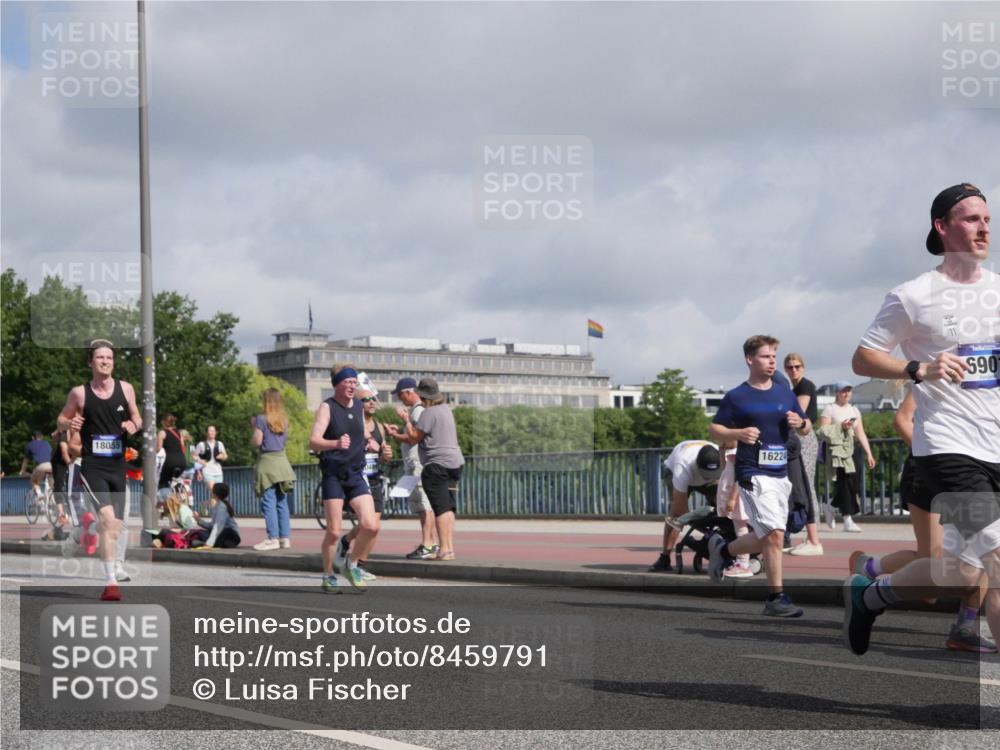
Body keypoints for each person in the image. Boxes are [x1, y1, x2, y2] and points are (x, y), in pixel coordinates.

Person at [843, 182, 999, 657]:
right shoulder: (914, 295)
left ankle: (869, 595)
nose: (983, 227)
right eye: (971, 218)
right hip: (949, 447)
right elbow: (863, 358)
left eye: (987, 220)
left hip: (995, 444)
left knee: (959, 571)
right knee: (998, 555)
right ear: (942, 226)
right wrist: (919, 367)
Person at [849, 391, 995, 652]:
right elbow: (902, 420)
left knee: (963, 572)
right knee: (954, 559)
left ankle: (870, 592)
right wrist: (930, 454)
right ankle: (870, 568)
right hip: (942, 471)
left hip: (984, 471)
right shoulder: (940, 368)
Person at [707, 334, 811, 617]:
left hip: (780, 474)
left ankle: (723, 549)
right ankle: (776, 598)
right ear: (750, 359)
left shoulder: (784, 392)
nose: (772, 362)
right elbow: (714, 429)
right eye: (766, 357)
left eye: (774, 357)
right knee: (775, 536)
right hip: (752, 472)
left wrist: (801, 422)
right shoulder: (737, 396)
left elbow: (806, 426)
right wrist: (737, 433)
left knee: (772, 536)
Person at [56, 339, 142, 601]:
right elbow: (60, 420)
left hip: (118, 466)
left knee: (115, 525)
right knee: (107, 520)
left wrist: (133, 426)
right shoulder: (79, 393)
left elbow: (138, 417)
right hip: (93, 466)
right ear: (90, 362)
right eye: (100, 358)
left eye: (109, 358)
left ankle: (83, 534)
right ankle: (111, 581)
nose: (106, 361)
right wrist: (70, 421)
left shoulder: (126, 389)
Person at [310, 364, 379, 592]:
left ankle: (351, 564)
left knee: (371, 526)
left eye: (353, 383)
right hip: (333, 474)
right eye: (347, 382)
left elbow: (361, 430)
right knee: (333, 531)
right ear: (337, 384)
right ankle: (328, 575)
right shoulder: (327, 407)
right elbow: (314, 441)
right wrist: (335, 443)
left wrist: (372, 441)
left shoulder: (359, 405)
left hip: (356, 473)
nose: (351, 386)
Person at [386, 377, 464, 561]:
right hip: (455, 463)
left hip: (436, 465)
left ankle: (443, 549)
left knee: (440, 508)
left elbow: (414, 437)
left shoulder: (429, 413)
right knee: (450, 507)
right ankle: (449, 548)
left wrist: (405, 421)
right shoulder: (446, 410)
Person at [337, 384, 393, 580]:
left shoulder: (379, 427)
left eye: (373, 399)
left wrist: (386, 454)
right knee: (368, 524)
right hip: (357, 479)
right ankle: (353, 560)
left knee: (372, 526)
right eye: (366, 400)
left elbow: (383, 454)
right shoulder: (352, 424)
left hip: (374, 478)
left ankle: (351, 551)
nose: (371, 403)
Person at [647, 440, 722, 572]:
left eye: (711, 475)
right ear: (696, 465)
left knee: (722, 506)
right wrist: (706, 531)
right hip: (675, 471)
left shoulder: (724, 458)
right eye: (705, 475)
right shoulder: (682, 467)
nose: (706, 478)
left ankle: (728, 546)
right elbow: (681, 510)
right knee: (676, 516)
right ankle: (665, 557)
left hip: (713, 471)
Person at [389, 377, 438, 560]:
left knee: (423, 506)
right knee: (426, 505)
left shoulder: (417, 412)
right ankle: (430, 543)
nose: (400, 399)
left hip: (417, 464)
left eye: (401, 394)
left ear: (409, 392)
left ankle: (427, 544)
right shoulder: (421, 410)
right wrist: (399, 431)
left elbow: (413, 438)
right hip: (420, 463)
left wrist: (395, 434)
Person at [818, 382, 876, 533]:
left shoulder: (854, 409)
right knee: (844, 482)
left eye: (848, 391)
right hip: (837, 450)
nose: (846, 394)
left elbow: (860, 433)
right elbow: (823, 430)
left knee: (854, 483)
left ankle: (831, 506)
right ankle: (847, 520)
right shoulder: (830, 409)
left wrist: (869, 453)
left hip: (852, 449)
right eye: (843, 391)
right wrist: (840, 427)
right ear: (837, 392)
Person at [783, 353, 824, 556]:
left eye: (797, 366)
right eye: (790, 367)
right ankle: (808, 537)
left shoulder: (805, 386)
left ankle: (814, 540)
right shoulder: (794, 388)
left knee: (806, 486)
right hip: (796, 439)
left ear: (803, 367)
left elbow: (798, 413)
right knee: (799, 486)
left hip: (804, 439)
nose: (794, 370)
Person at [252, 388, 296, 551]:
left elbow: (257, 442)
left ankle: (272, 538)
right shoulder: (284, 420)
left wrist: (254, 427)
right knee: (281, 501)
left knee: (268, 501)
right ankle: (285, 538)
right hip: (282, 462)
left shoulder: (261, 419)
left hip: (268, 462)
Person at [716, 440, 753, 577]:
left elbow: (739, 477)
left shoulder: (739, 454)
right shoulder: (732, 454)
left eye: (726, 437)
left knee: (741, 529)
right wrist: (721, 453)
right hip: (736, 497)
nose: (723, 441)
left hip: (738, 498)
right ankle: (743, 560)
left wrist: (732, 498)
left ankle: (743, 562)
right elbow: (724, 469)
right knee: (740, 528)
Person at [194, 482, 240, 549]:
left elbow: (217, 527)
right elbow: (212, 525)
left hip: (231, 536)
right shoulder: (218, 505)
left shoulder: (221, 507)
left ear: (215, 493)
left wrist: (209, 544)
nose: (211, 492)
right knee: (200, 533)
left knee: (217, 533)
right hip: (222, 534)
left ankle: (209, 543)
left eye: (212, 491)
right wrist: (198, 520)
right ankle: (209, 542)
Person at [156, 413, 188, 496]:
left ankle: (167, 503)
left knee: (162, 482)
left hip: (170, 462)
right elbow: (183, 447)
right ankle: (179, 492)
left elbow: (158, 449)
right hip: (182, 461)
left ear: (163, 422)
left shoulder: (162, 433)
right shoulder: (179, 433)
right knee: (175, 481)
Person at [20, 430, 53, 501]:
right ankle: (52, 500)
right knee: (51, 486)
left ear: (33, 438)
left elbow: (26, 460)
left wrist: (22, 471)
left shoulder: (29, 445)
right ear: (42, 437)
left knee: (34, 481)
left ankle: (39, 494)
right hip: (52, 465)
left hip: (42, 466)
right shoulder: (47, 443)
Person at [193, 425, 228, 491]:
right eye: (210, 430)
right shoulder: (201, 444)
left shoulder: (220, 444)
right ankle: (207, 502)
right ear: (206, 433)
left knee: (218, 494)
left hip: (218, 472)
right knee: (214, 491)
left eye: (213, 431)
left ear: (216, 432)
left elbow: (226, 456)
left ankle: (206, 502)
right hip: (207, 471)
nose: (211, 432)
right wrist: (200, 460)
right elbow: (194, 456)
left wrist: (222, 457)